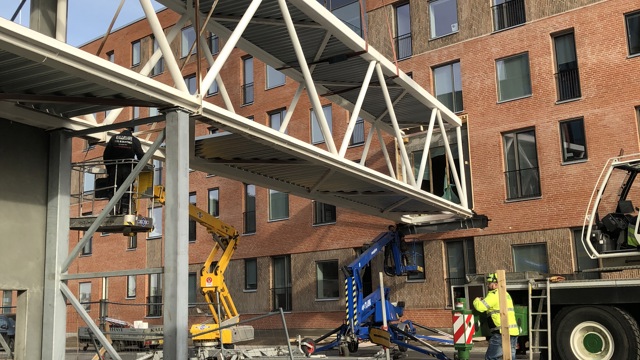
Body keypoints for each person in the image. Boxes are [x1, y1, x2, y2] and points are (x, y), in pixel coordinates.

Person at [473, 272, 519, 360]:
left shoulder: (494, 294)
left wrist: (476, 300)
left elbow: (480, 307)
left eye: (489, 283)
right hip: (513, 332)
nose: (487, 285)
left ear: (495, 284)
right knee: (510, 357)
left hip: (501, 333)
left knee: (491, 357)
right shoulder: (506, 294)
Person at [103, 127, 145, 214]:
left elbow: (106, 155)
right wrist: (137, 169)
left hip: (115, 169)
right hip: (128, 169)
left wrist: (109, 169)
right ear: (132, 131)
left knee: (114, 189)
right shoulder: (134, 140)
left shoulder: (114, 138)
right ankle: (125, 210)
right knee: (127, 190)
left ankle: (113, 210)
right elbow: (141, 156)